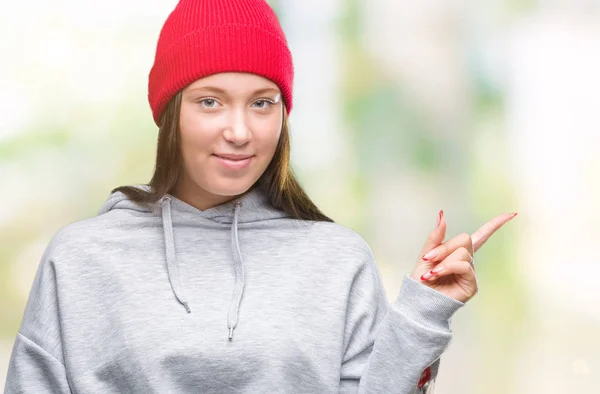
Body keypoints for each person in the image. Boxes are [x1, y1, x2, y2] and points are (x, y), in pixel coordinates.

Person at [4, 0, 516, 393]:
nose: (240, 130)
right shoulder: (81, 259)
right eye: (210, 102)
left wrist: (425, 312)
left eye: (262, 103)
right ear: (169, 113)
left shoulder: (336, 259)